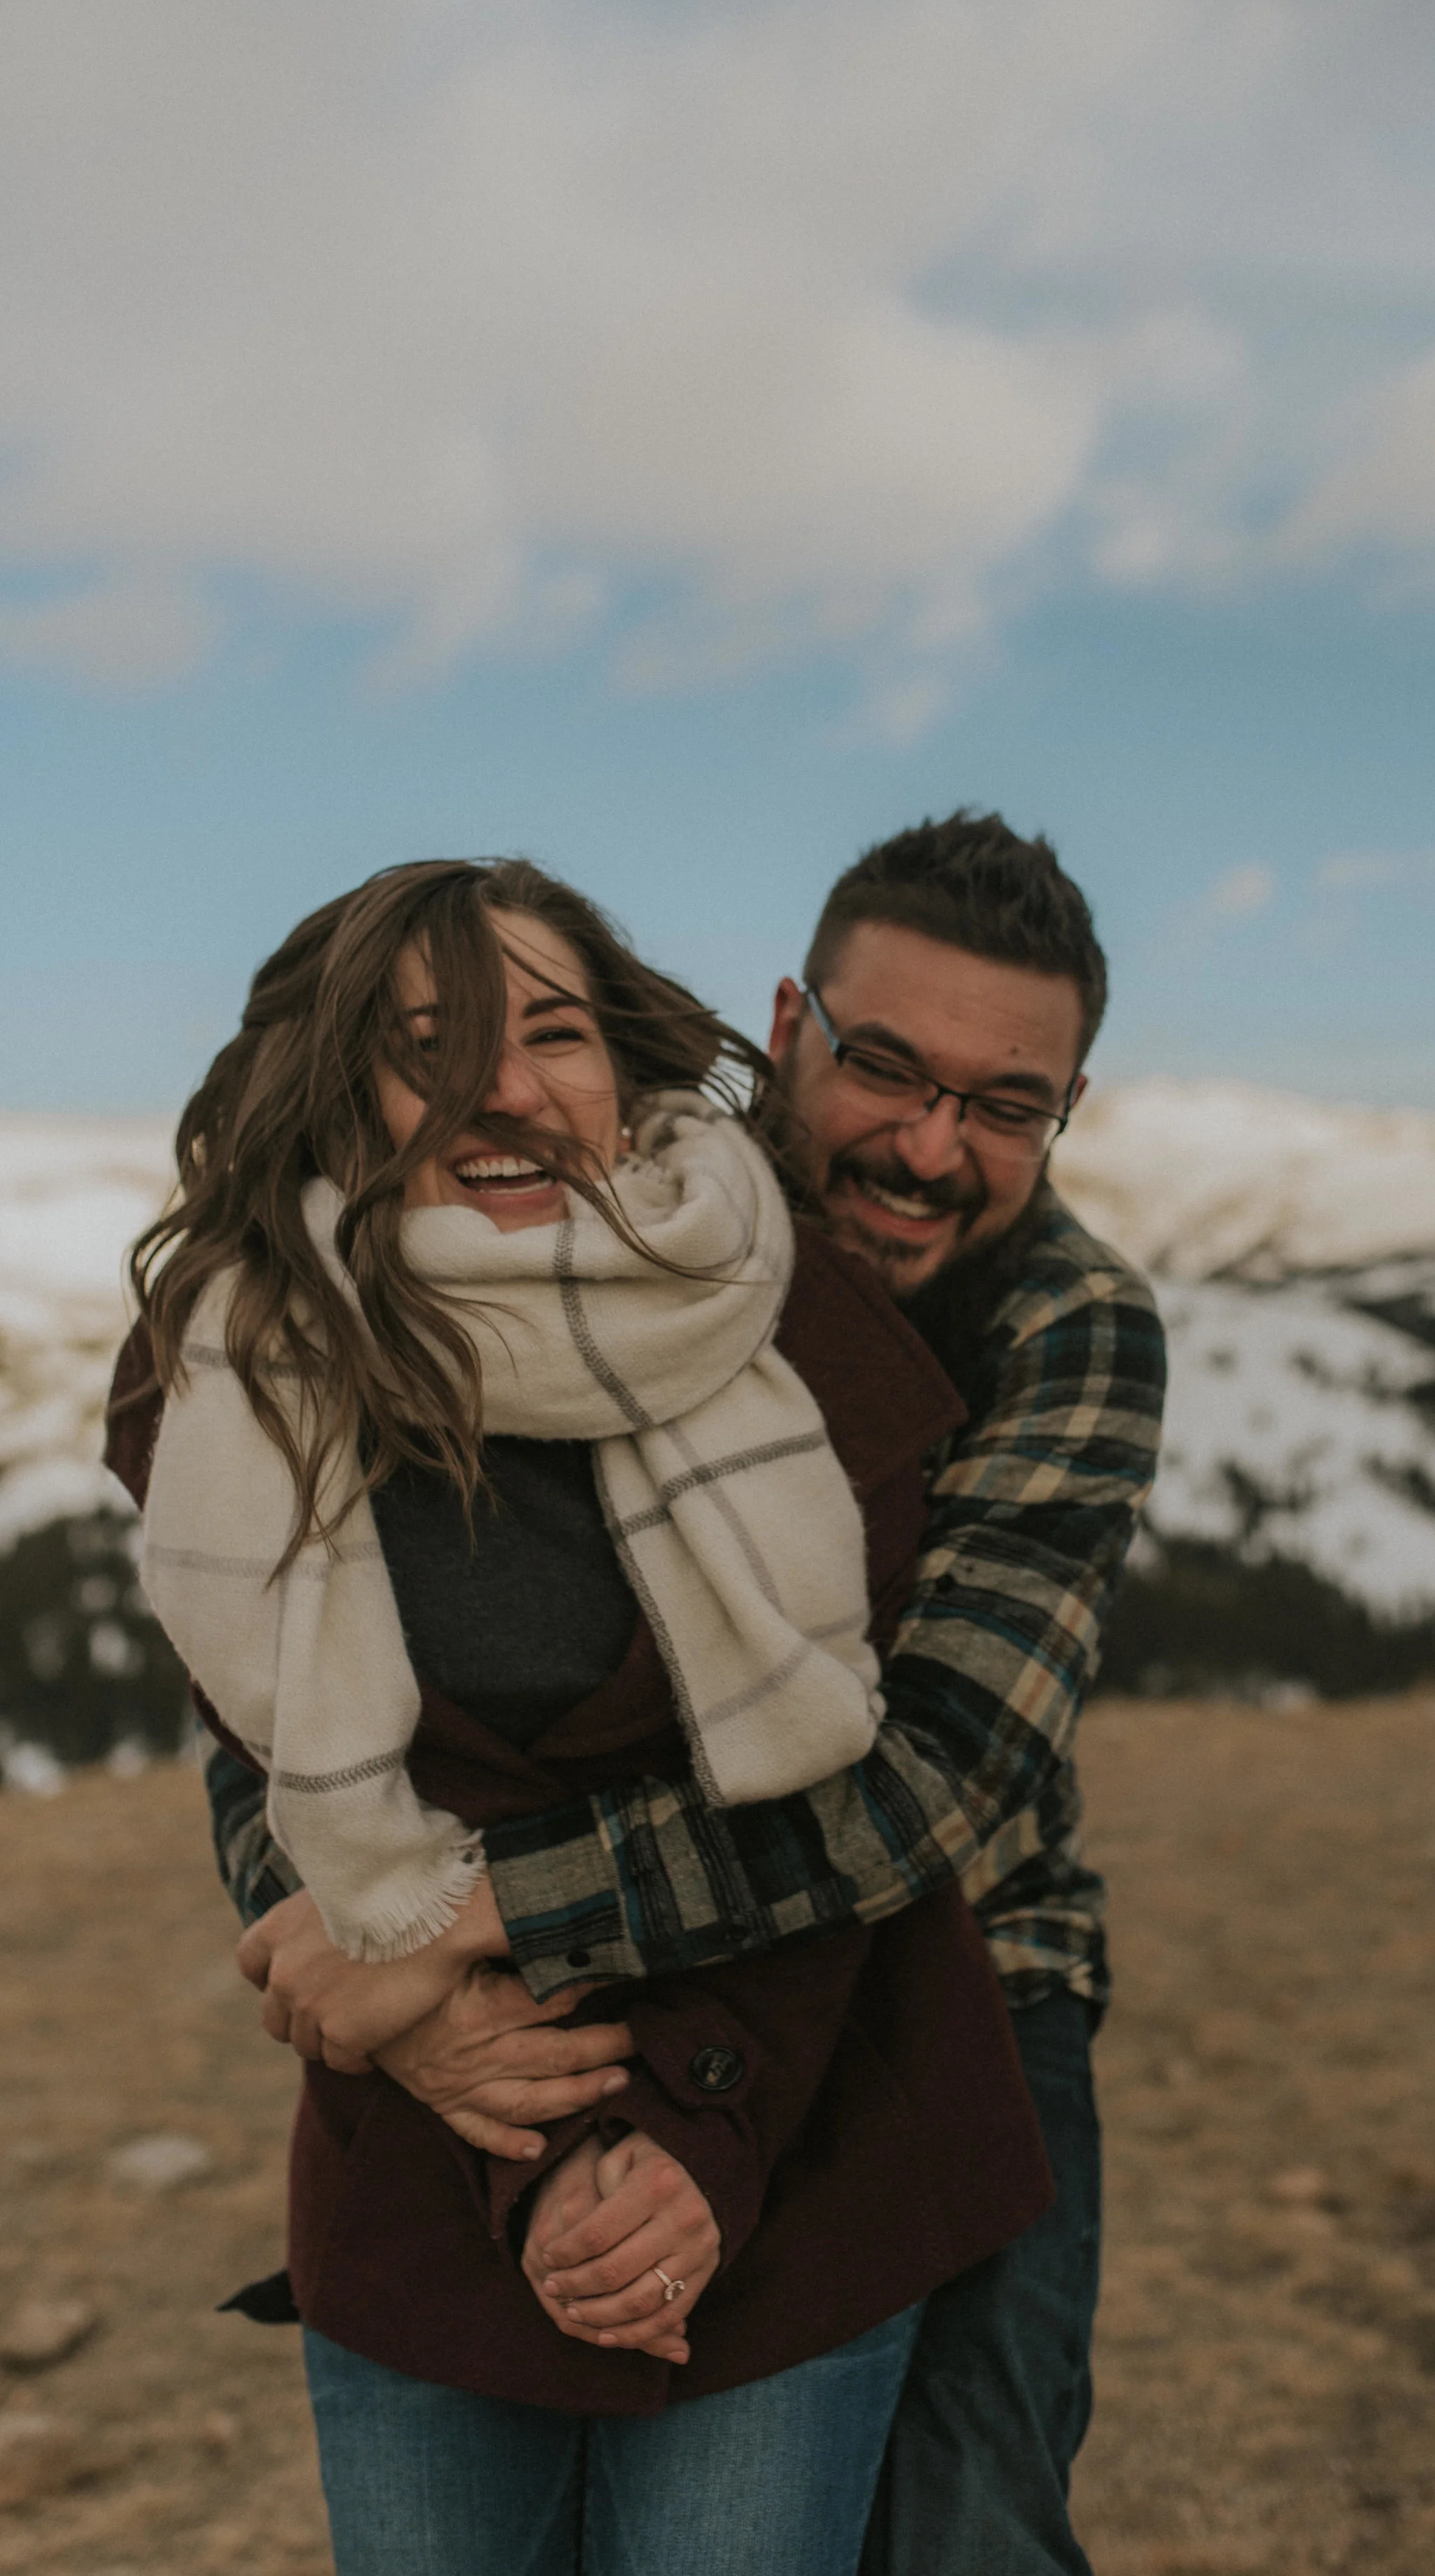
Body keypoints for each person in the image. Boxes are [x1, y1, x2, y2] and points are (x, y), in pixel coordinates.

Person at [208, 814, 1168, 2576]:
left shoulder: (1071, 1324)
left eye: (1004, 1103)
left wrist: (449, 1925)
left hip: (968, 1959)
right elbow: (283, 1673)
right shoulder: (595, 1214)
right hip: (566, 1990)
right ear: (788, 1021)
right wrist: (361, 1956)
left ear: (1064, 1113)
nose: (928, 1144)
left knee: (968, 2522)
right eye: (882, 1066)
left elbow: (926, 1788)